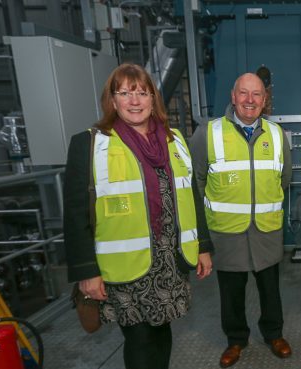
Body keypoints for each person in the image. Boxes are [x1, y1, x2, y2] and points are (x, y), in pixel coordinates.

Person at [64, 63, 213, 369]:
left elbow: (191, 196)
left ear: (152, 99)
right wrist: (85, 272)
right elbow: (75, 213)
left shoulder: (174, 140)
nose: (135, 101)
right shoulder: (91, 144)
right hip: (126, 268)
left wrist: (204, 246)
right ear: (112, 100)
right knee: (140, 339)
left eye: (142, 93)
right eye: (125, 93)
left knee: (162, 330)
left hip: (169, 260)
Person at [189, 73, 293, 368]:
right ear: (233, 96)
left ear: (264, 99)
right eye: (244, 94)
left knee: (271, 289)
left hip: (266, 230)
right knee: (231, 292)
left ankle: (274, 334)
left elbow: (284, 180)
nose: (250, 100)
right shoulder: (206, 133)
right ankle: (235, 340)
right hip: (226, 232)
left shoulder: (276, 134)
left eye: (256, 94)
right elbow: (195, 181)